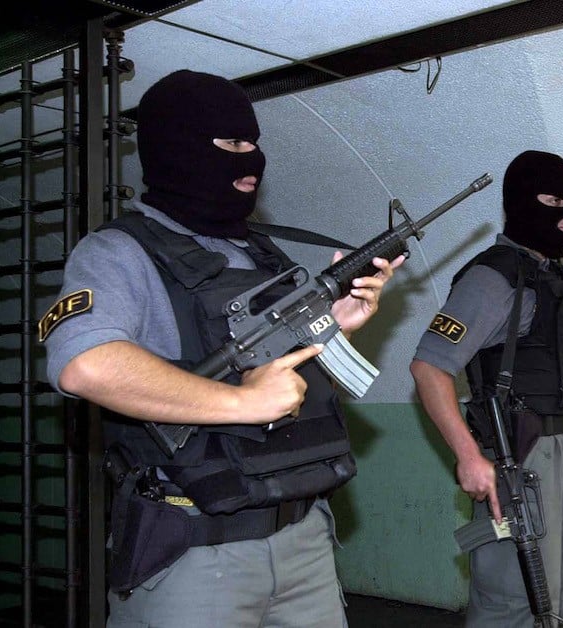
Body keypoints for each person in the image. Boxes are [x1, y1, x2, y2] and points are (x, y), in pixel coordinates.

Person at [40, 69, 401, 627]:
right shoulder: (118, 253)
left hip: (303, 534)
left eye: (255, 143)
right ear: (178, 147)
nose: (251, 159)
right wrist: (240, 404)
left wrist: (336, 326)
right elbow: (84, 364)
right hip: (194, 548)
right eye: (232, 143)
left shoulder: (262, 252)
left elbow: (279, 373)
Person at [410, 150, 563, 627]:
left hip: (561, 447)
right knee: (514, 602)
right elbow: (428, 368)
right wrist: (468, 456)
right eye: (551, 199)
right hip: (517, 454)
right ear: (521, 203)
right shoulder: (492, 277)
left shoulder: (551, 276)